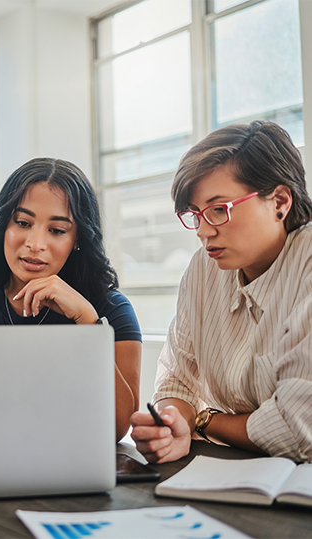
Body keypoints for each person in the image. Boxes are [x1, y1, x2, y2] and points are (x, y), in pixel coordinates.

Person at [130, 121, 312, 464]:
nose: (201, 231)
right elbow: (175, 385)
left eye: (218, 210)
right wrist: (173, 424)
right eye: (195, 214)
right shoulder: (203, 269)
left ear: (280, 202)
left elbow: (296, 431)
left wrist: (204, 419)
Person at [0, 158, 142, 441]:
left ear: (77, 239)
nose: (35, 244)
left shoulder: (111, 310)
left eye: (57, 230)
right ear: (2, 227)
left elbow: (117, 429)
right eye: (23, 223)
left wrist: (88, 322)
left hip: (75, 471)